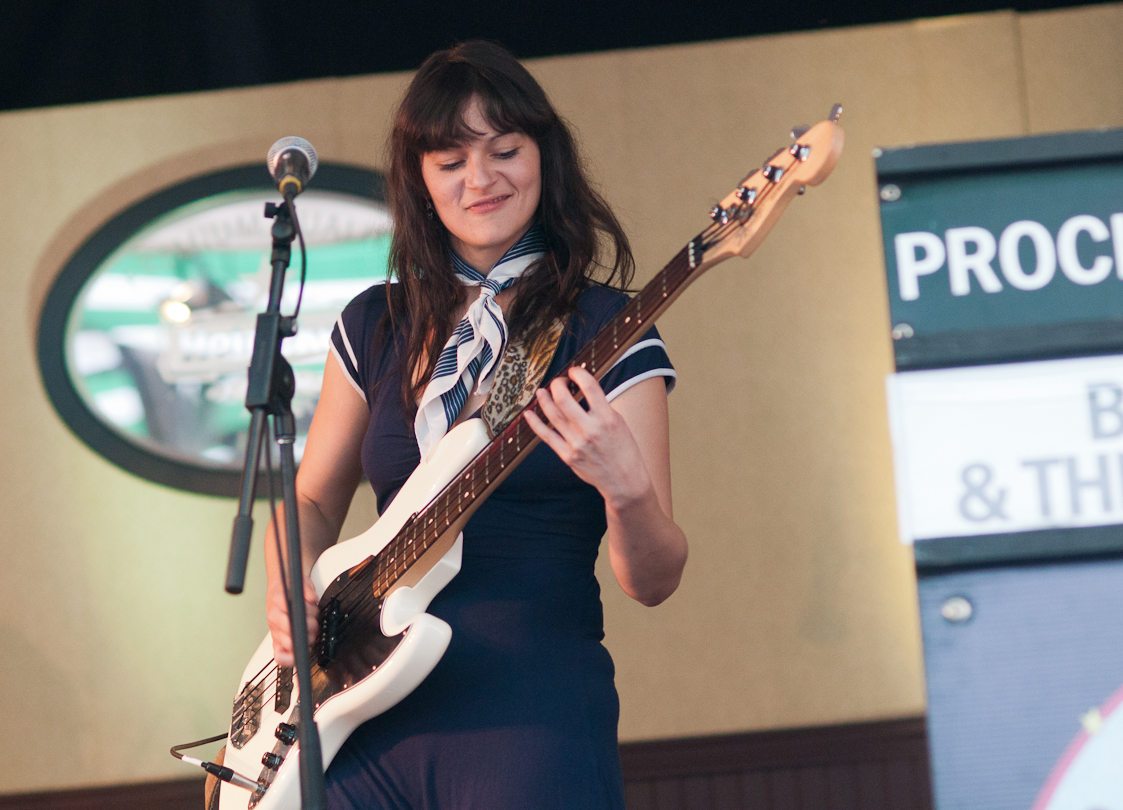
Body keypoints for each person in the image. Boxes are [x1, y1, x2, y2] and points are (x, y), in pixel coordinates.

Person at [264, 40, 688, 810]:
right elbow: (315, 499)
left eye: (504, 150)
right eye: (451, 160)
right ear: (419, 179)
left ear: (543, 158)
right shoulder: (373, 326)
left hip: (527, 715)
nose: (480, 179)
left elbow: (652, 580)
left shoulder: (606, 331)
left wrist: (626, 491)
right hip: (361, 714)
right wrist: (287, 581)